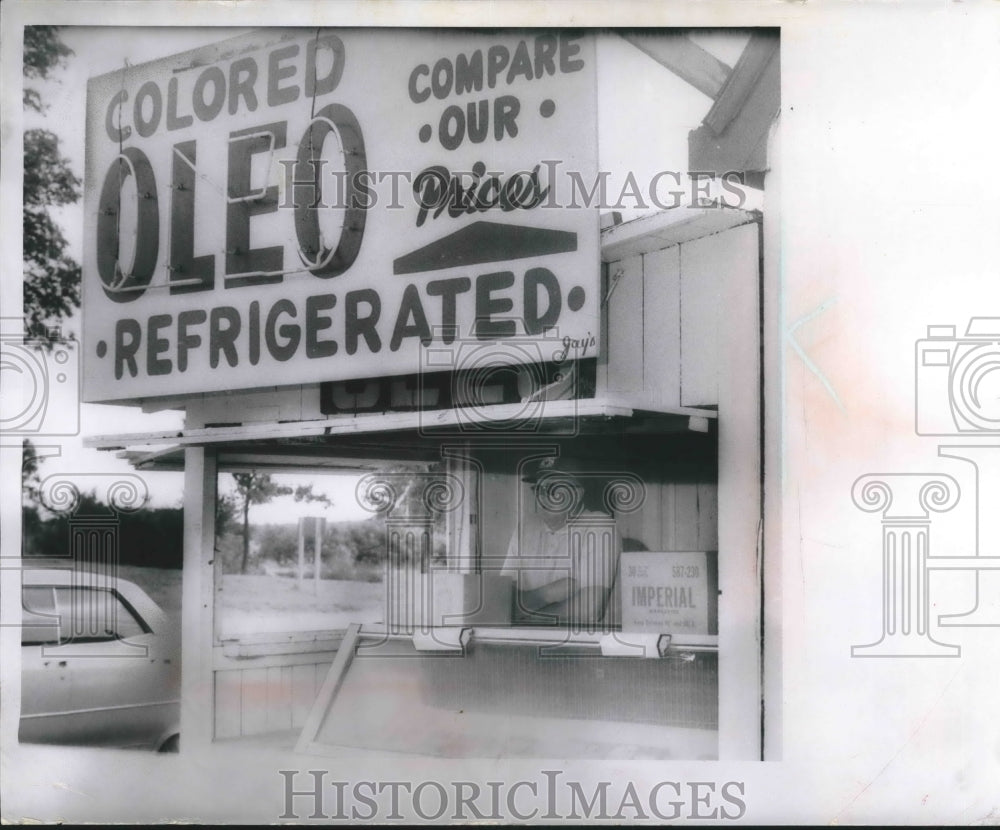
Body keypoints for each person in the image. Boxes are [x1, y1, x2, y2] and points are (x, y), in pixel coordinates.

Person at [500, 456, 621, 629]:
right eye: (538, 490)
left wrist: (521, 612)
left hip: (578, 646)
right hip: (525, 642)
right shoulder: (525, 529)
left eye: (553, 489)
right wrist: (547, 594)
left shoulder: (600, 526)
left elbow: (588, 610)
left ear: (577, 494)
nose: (542, 498)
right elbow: (501, 601)